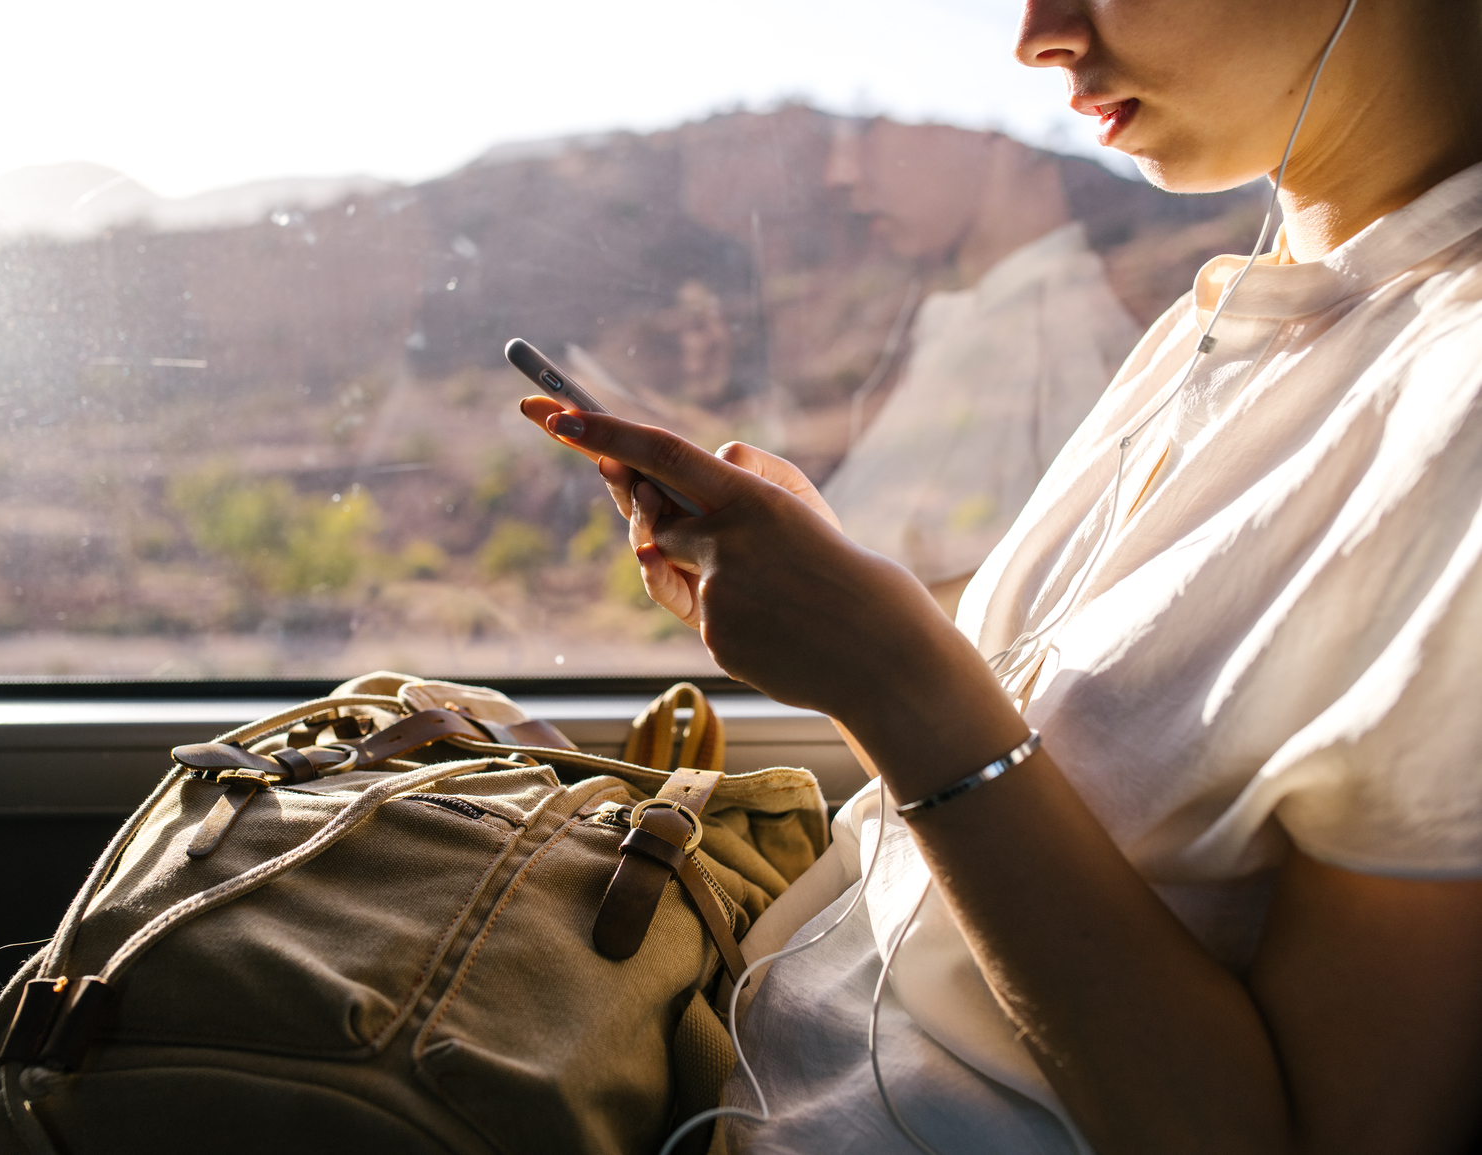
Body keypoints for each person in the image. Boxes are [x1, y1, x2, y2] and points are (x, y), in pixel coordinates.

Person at [521, 0, 1482, 1151]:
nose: (1036, 34)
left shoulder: (1451, 410)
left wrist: (895, 679)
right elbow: (1037, 805)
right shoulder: (1233, 319)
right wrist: (830, 616)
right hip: (729, 1074)